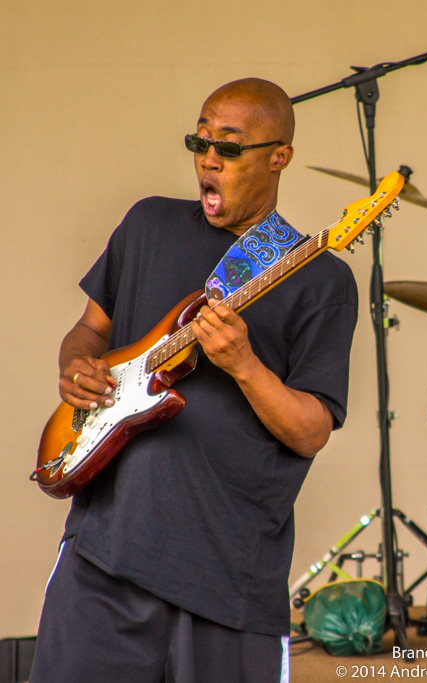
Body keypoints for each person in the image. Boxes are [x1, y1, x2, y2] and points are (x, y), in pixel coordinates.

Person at [32, 78, 358, 682]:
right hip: (104, 553)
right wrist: (75, 366)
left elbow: (311, 431)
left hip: (227, 579)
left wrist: (244, 364)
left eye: (228, 147)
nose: (208, 159)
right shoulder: (148, 224)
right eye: (199, 141)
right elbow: (89, 330)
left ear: (279, 157)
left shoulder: (320, 280)